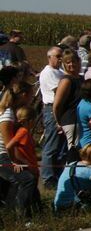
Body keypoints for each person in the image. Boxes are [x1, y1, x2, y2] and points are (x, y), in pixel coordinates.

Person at [0, 70, 38, 215]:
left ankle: (28, 211)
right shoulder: (8, 115)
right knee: (26, 180)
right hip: (3, 155)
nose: (32, 98)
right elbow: (8, 143)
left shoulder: (13, 112)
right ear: (23, 95)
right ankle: (20, 215)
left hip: (7, 154)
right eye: (31, 95)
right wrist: (15, 161)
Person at [38, 46, 66, 188]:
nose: (60, 58)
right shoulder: (48, 73)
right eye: (58, 56)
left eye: (61, 56)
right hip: (51, 109)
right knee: (52, 144)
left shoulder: (60, 72)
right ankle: (48, 177)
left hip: (62, 109)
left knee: (61, 146)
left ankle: (57, 174)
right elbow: (59, 90)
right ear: (50, 57)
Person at [8, 107, 42, 212]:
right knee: (30, 194)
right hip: (29, 167)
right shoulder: (23, 132)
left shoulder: (24, 132)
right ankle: (23, 214)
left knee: (35, 196)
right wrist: (16, 161)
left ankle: (37, 214)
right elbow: (10, 146)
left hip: (32, 166)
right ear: (29, 121)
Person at [52, 52, 84, 152]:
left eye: (73, 61)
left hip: (81, 120)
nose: (71, 64)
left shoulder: (81, 79)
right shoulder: (66, 81)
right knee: (74, 151)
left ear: (79, 61)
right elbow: (56, 105)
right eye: (68, 62)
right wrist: (58, 122)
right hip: (71, 121)